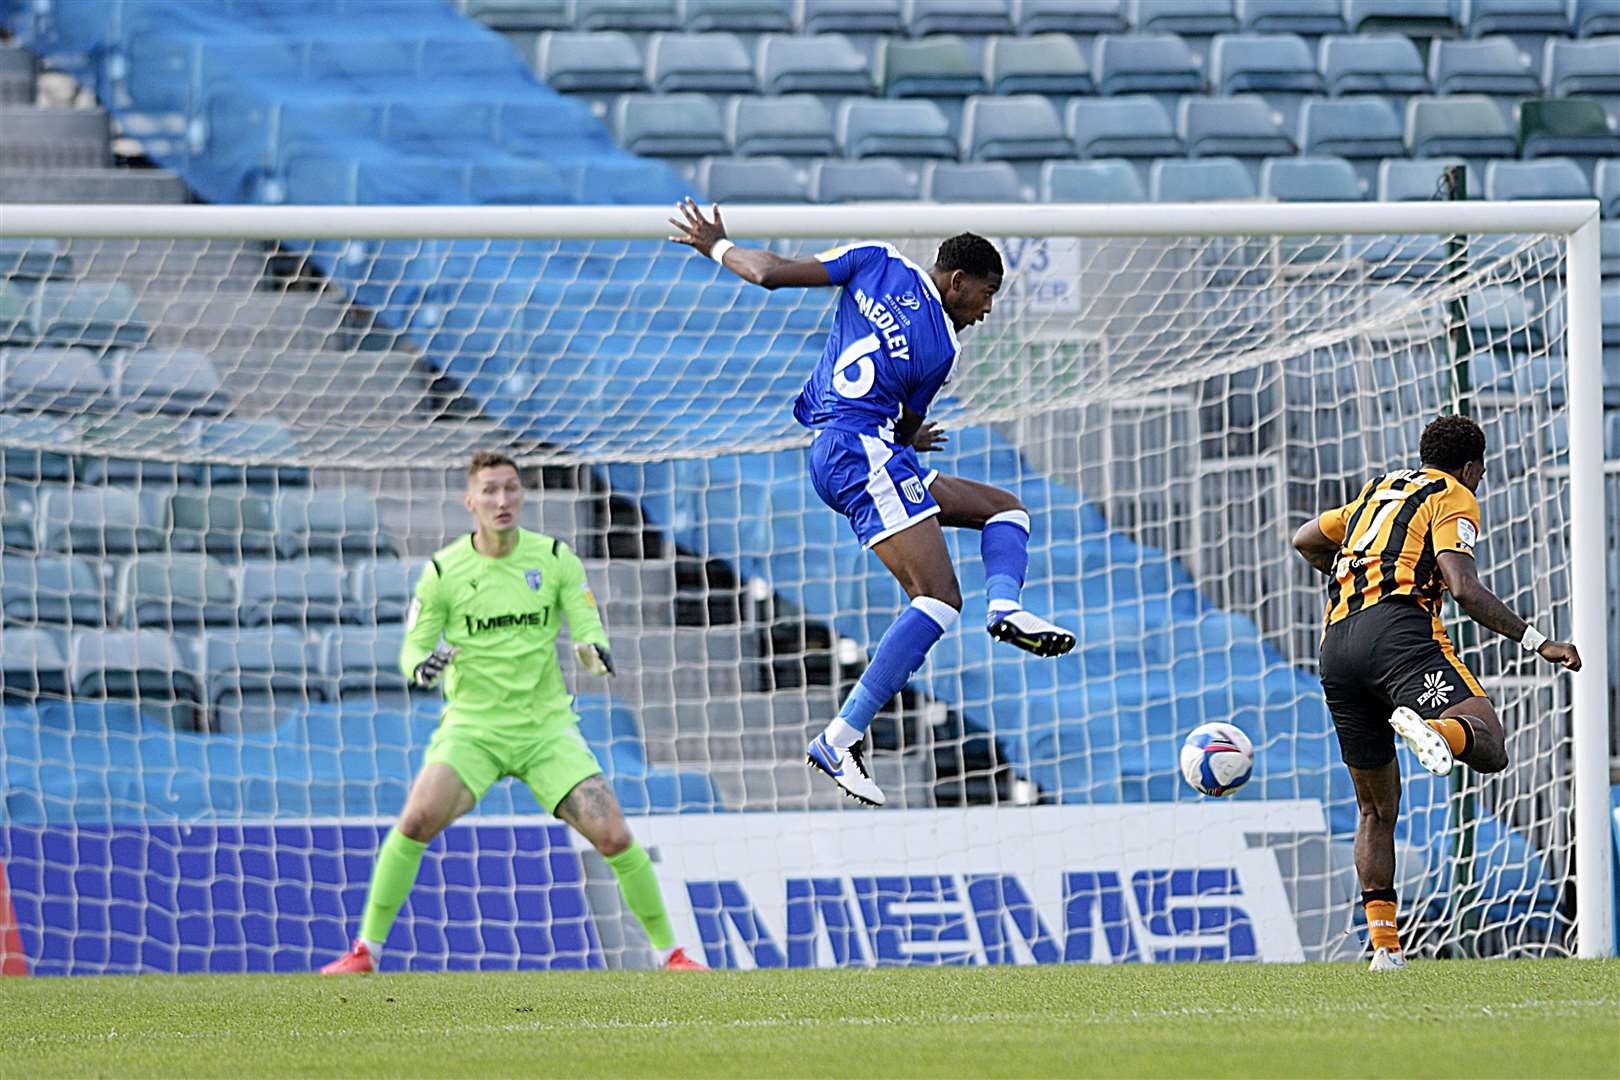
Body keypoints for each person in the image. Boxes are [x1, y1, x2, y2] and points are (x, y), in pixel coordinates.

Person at [668, 199, 1075, 808]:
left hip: (865, 449)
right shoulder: (942, 349)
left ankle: (1005, 608)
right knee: (938, 598)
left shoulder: (876, 260)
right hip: (860, 453)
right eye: (985, 295)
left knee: (1005, 510)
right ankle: (841, 737)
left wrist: (715, 246)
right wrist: (904, 433)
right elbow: (907, 414)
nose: (987, 311)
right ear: (956, 280)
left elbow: (772, 273)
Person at [321, 450, 706, 973]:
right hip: (473, 730)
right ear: (470, 501)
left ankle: (672, 955)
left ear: (521, 495)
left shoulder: (553, 558)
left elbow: (587, 625)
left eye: (510, 489)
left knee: (614, 835)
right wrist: (421, 669)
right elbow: (412, 649)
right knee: (414, 821)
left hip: (545, 730)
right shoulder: (443, 570)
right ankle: (366, 952)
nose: (501, 500)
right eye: (489, 491)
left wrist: (592, 652)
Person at [1290, 414, 1581, 972]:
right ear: (1472, 468)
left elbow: (1305, 539)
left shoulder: (1378, 492)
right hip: (1398, 636)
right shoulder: (1453, 496)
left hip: (1336, 646)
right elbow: (1464, 588)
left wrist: (1354, 573)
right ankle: (1437, 730)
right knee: (1490, 743)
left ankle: (1385, 950)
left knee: (1375, 808)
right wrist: (1539, 641)